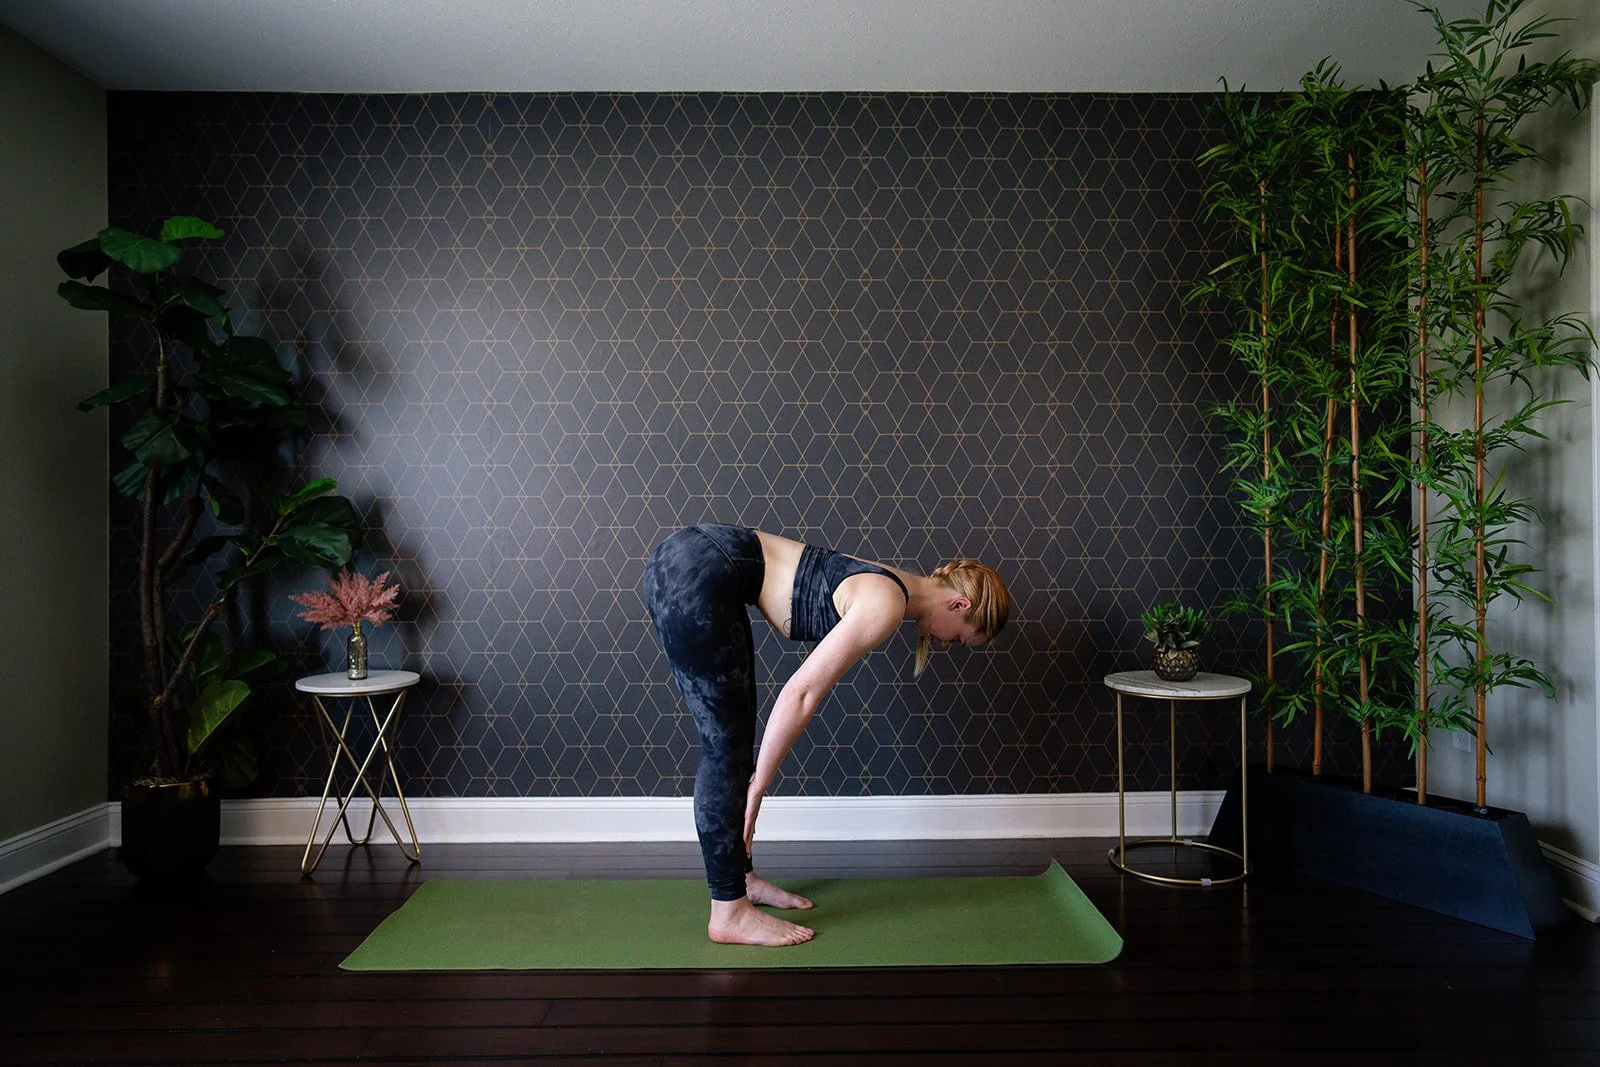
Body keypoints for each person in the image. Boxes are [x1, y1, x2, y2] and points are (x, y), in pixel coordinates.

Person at [642, 522, 1011, 947]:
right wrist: (759, 788)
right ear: (960, 604)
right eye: (961, 640)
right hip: (697, 569)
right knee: (725, 750)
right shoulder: (886, 604)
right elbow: (800, 693)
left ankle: (739, 880)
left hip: (697, 562)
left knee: (735, 744)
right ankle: (728, 913)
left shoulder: (892, 584)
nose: (948, 646)